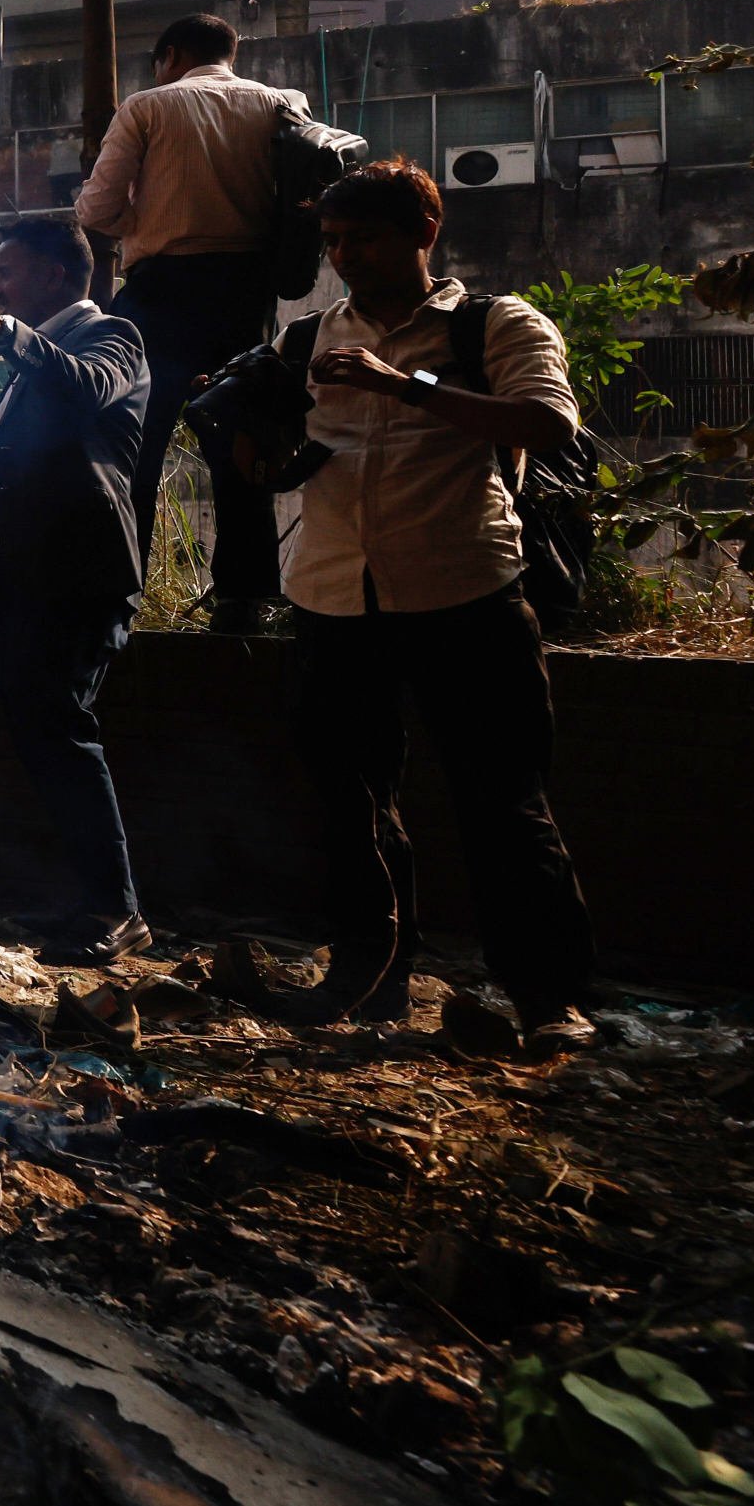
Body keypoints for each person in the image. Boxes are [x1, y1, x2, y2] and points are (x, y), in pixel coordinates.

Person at [258, 158, 596, 1047]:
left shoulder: (494, 323)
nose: (345, 259)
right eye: (333, 243)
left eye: (362, 239)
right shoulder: (303, 341)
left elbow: (548, 424)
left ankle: (549, 1002)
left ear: (423, 234)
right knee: (349, 805)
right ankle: (365, 984)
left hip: (465, 595)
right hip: (332, 599)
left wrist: (404, 385)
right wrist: (249, 449)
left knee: (501, 803)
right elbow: (260, 444)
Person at [0, 216, 151, 960]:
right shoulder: (32, 364)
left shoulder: (111, 339)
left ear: (54, 275)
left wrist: (6, 329)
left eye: (6, 272)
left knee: (62, 730)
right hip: (24, 589)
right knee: (44, 737)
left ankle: (118, 910)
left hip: (78, 581)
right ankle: (91, 901)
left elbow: (85, 389)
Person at [77, 13, 306, 633]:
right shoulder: (282, 105)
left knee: (135, 449)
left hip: (163, 294)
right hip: (246, 296)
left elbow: (96, 209)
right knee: (240, 447)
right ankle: (244, 602)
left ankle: (122, 600)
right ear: (230, 54)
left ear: (169, 55)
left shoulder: (148, 106)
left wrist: (147, 222)